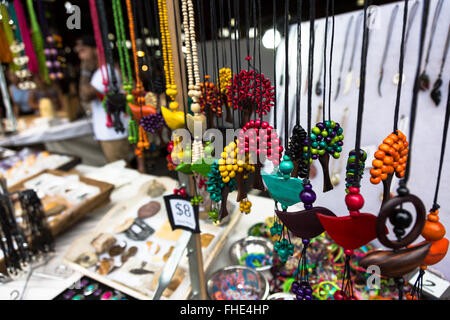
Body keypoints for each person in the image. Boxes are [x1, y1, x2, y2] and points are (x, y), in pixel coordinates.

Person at [75, 35, 130, 164]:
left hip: (113, 133)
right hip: (110, 132)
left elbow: (85, 95)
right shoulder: (101, 72)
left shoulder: (106, 72)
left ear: (95, 50)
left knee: (121, 171)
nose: (80, 56)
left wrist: (85, 71)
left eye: (83, 50)